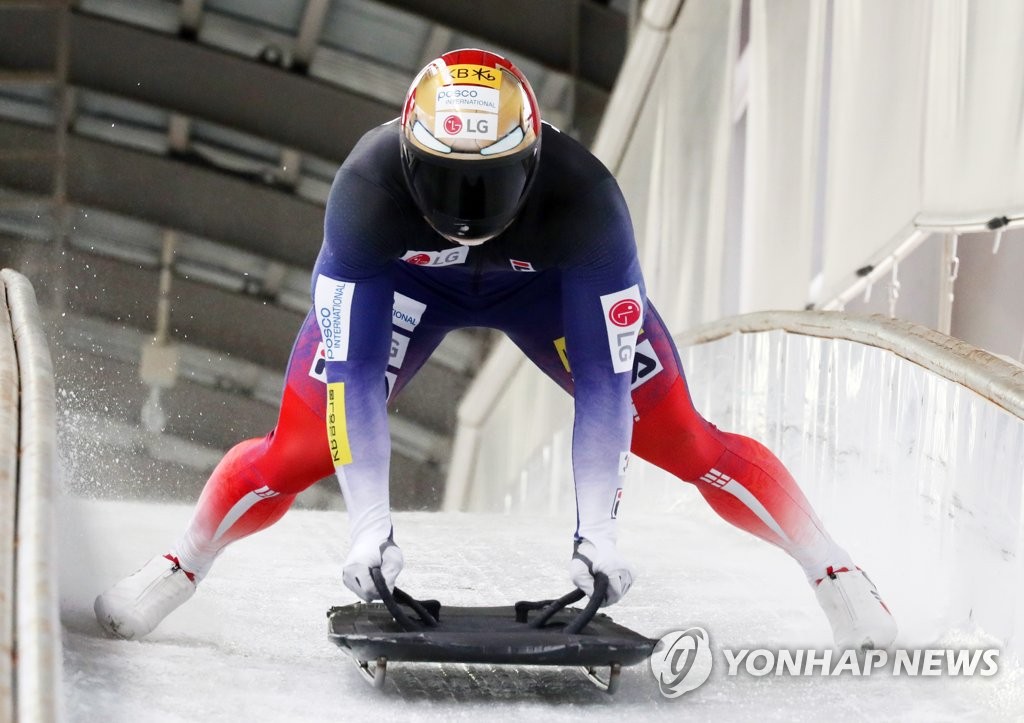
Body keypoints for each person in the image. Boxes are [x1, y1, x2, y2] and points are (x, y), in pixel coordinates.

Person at [95, 48, 897, 650]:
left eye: (490, 182)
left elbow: (606, 388)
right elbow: (352, 380)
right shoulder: (366, 196)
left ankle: (834, 569)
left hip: (548, 287)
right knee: (298, 449)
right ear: (409, 159)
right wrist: (367, 525)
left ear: (534, 158)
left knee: (683, 437)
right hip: (407, 288)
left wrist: (599, 534)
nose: (468, 209)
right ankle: (180, 565)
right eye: (446, 183)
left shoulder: (587, 203)